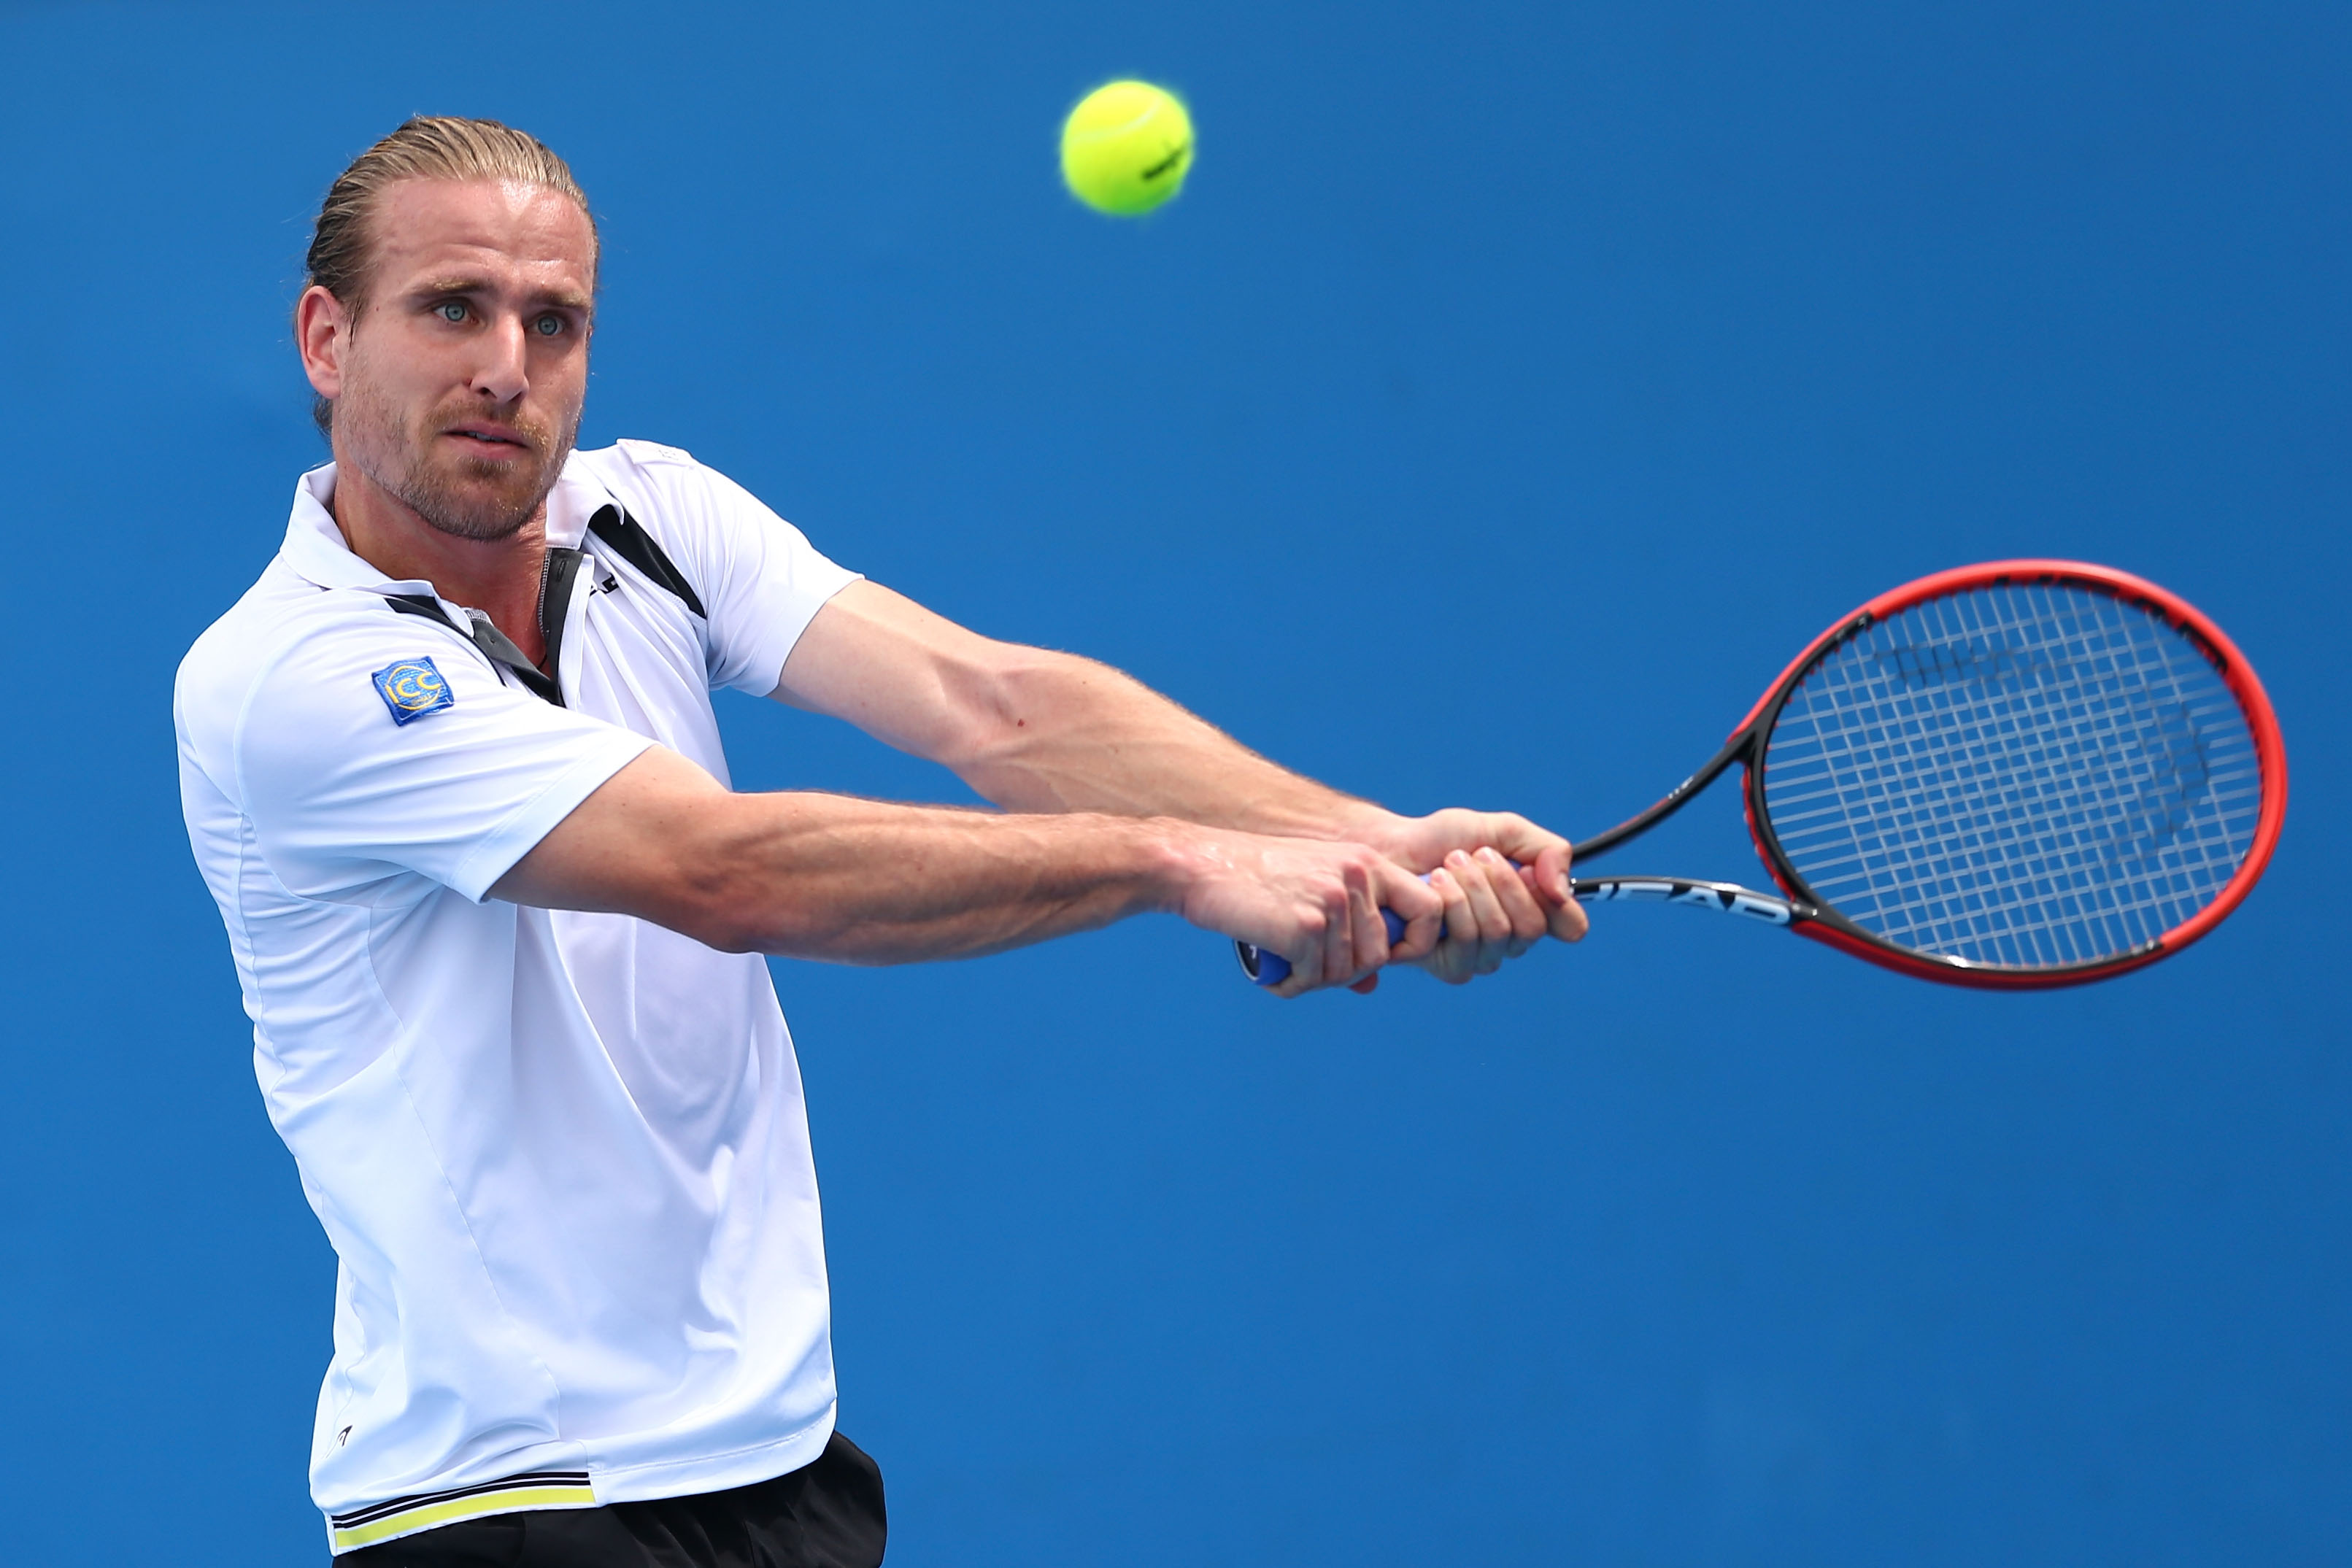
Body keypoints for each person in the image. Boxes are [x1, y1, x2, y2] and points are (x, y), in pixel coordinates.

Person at [174, 116, 1586, 1567]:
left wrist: (1361, 837)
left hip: (781, 1468)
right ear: (326, 338)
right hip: (513, 1504)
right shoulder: (292, 677)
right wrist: (1176, 860)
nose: (507, 370)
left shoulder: (650, 513)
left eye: (555, 321)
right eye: (452, 309)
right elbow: (724, 871)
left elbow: (995, 705)